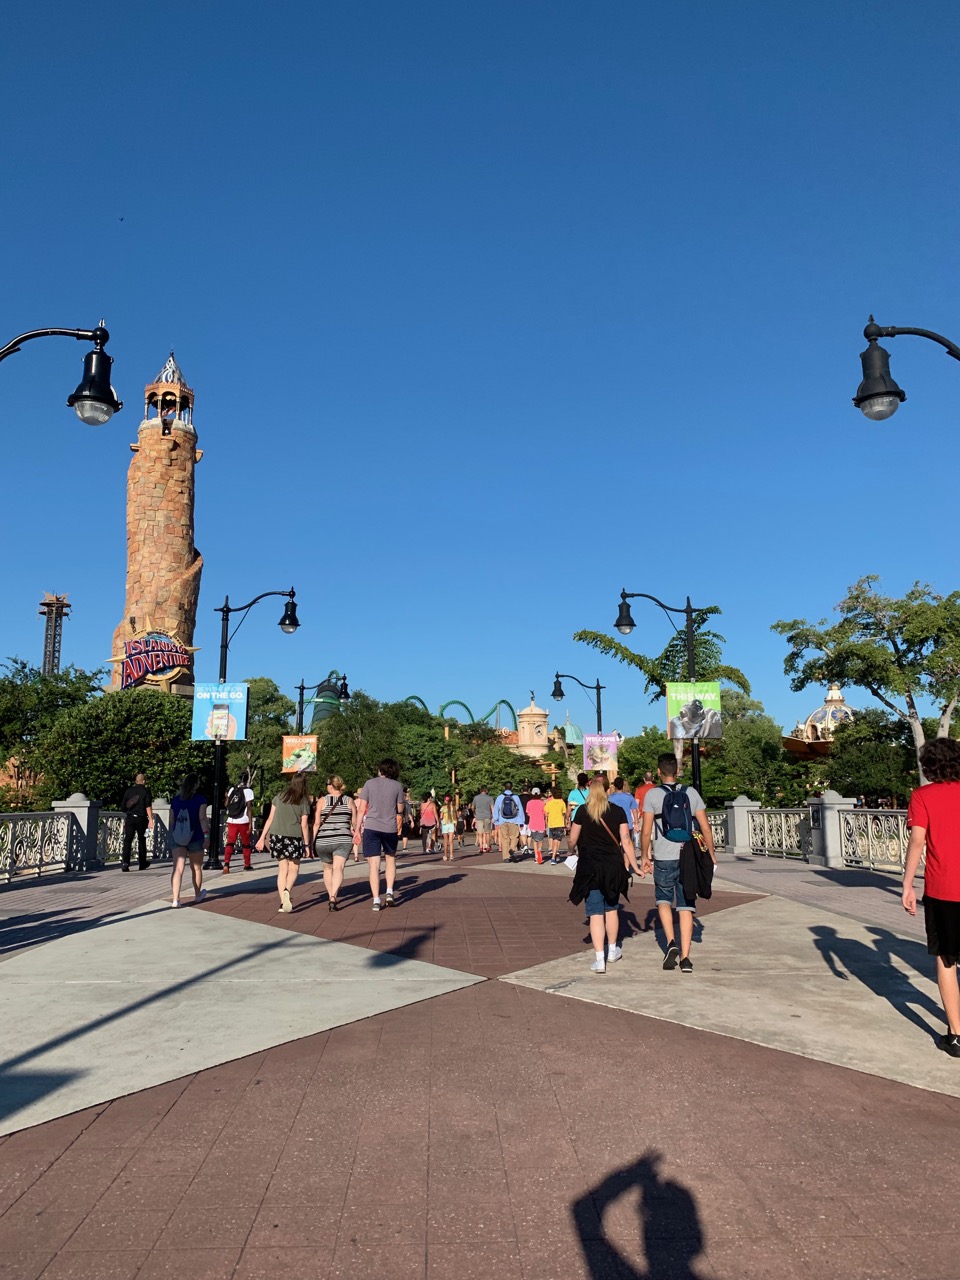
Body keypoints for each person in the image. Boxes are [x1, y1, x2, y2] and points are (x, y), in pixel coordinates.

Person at [903, 738, 960, 1058]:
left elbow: (917, 842)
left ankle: (957, 1035)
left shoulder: (923, 797)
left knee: (947, 961)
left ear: (929, 766)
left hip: (944, 891)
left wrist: (908, 884)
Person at [640, 753, 716, 974]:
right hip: (689, 855)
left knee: (663, 899)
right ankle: (685, 958)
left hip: (664, 855)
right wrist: (710, 853)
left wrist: (645, 856)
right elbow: (705, 827)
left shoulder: (653, 795)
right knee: (686, 905)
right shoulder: (691, 793)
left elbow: (646, 831)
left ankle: (671, 942)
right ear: (677, 771)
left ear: (658, 772)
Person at [568, 776, 639, 973]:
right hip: (613, 866)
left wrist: (571, 850)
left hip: (590, 866)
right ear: (608, 790)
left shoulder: (582, 811)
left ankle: (600, 959)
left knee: (595, 913)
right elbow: (626, 841)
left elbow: (573, 838)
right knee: (612, 908)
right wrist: (635, 866)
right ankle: (613, 949)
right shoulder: (617, 811)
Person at [256, 774, 312, 913]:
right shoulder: (303, 801)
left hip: (277, 835)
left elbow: (270, 818)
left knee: (282, 869)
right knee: (294, 868)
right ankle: (287, 890)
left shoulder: (279, 796)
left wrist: (262, 838)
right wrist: (306, 845)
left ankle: (283, 901)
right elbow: (304, 825)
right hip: (294, 836)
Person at [355, 758, 405, 910]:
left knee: (374, 865)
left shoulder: (369, 784)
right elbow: (400, 809)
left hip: (371, 827)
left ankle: (376, 900)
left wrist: (357, 829)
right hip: (390, 827)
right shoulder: (398, 786)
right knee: (390, 859)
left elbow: (362, 808)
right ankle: (389, 891)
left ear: (380, 769)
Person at [313, 775, 355, 912]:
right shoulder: (349, 801)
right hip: (343, 839)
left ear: (330, 786)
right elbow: (354, 823)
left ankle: (331, 894)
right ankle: (333, 897)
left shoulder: (322, 801)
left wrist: (312, 841)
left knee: (327, 869)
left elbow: (317, 823)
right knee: (338, 868)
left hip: (324, 839)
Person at [169, 774, 209, 908]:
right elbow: (202, 819)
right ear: (196, 785)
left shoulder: (175, 800)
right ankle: (198, 895)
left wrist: (173, 835)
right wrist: (206, 837)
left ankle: (175, 899)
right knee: (196, 868)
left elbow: (171, 821)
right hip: (196, 836)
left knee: (177, 868)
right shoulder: (200, 800)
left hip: (178, 837)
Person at [119, 772, 153, 872]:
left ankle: (125, 863)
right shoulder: (146, 791)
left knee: (127, 840)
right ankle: (142, 863)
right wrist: (151, 820)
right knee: (142, 840)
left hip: (130, 818)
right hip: (141, 819)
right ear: (144, 781)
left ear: (135, 781)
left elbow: (123, 806)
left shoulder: (129, 791)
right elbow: (148, 806)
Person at [223, 770, 255, 872]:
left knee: (230, 842)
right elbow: (249, 808)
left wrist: (227, 796)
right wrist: (250, 823)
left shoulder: (232, 789)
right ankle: (247, 864)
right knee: (246, 843)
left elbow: (226, 804)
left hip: (231, 819)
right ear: (246, 779)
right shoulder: (248, 791)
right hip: (243, 820)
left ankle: (226, 864)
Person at [493, 785, 525, 862]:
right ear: (512, 787)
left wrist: (496, 821)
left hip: (502, 821)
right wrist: (522, 822)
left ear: (504, 787)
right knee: (514, 837)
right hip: (514, 821)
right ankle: (512, 849)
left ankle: (506, 857)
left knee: (504, 839)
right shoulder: (516, 797)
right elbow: (520, 809)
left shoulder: (500, 797)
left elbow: (496, 809)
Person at [608, 777, 638, 853]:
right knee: (627, 846)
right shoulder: (629, 797)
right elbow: (634, 810)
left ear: (614, 786)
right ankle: (627, 864)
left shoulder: (610, 798)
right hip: (628, 824)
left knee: (615, 845)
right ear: (623, 785)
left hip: (614, 824)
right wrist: (636, 822)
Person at [543, 787, 568, 864]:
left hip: (551, 824)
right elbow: (564, 813)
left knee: (553, 839)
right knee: (557, 841)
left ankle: (554, 853)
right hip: (560, 823)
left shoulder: (549, 803)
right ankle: (553, 857)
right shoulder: (562, 803)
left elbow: (546, 812)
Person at [526, 787, 547, 864]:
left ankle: (536, 856)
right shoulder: (542, 803)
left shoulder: (529, 803)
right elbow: (545, 813)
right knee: (540, 840)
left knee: (534, 840)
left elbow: (528, 813)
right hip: (541, 823)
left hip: (533, 823)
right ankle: (539, 850)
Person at [472, 786, 494, 853]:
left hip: (479, 817)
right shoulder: (490, 798)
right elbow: (492, 808)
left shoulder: (476, 798)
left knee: (480, 833)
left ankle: (481, 847)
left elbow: (472, 807)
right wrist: (493, 817)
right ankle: (487, 846)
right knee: (487, 833)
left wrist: (475, 812)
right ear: (486, 791)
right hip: (487, 816)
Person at [440, 794, 458, 862]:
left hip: (445, 824)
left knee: (445, 841)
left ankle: (445, 855)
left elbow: (441, 817)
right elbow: (456, 816)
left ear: (445, 800)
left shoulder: (443, 808)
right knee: (451, 841)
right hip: (451, 824)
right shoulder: (454, 807)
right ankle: (451, 855)